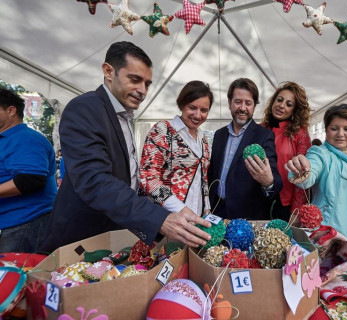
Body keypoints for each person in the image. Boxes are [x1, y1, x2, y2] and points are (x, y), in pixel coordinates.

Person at [41, 42, 211, 252]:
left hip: (117, 230)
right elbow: (95, 181)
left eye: (147, 84)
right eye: (135, 79)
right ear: (108, 71)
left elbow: (130, 178)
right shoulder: (85, 108)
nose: (142, 90)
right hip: (82, 239)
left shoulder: (124, 115)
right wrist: (160, 218)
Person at [286, 104, 347, 242]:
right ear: (326, 130)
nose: (340, 134)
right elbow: (310, 171)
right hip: (330, 234)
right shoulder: (320, 153)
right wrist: (301, 170)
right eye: (334, 128)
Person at [208, 78, 283, 220]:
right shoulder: (219, 135)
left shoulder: (264, 136)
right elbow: (212, 173)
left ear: (254, 106)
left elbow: (276, 182)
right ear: (229, 103)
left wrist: (268, 182)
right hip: (216, 212)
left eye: (248, 103)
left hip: (246, 217)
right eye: (238, 102)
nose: (243, 108)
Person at [140, 81, 214, 217]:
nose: (198, 115)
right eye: (192, 108)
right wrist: (181, 209)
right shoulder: (163, 130)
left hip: (195, 219)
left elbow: (203, 180)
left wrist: (207, 210)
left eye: (204, 110)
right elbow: (148, 177)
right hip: (165, 219)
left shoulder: (203, 138)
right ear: (182, 104)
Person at [0, 88, 57, 253]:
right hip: (13, 225)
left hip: (26, 224)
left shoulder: (25, 138)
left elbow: (31, 179)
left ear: (11, 110)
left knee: (20, 275)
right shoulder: (7, 138)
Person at [261, 81, 311, 221]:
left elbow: (303, 175)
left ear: (294, 110)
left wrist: (296, 211)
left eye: (289, 104)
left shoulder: (299, 133)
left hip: (284, 203)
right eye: (280, 100)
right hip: (258, 198)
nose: (281, 106)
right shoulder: (260, 128)